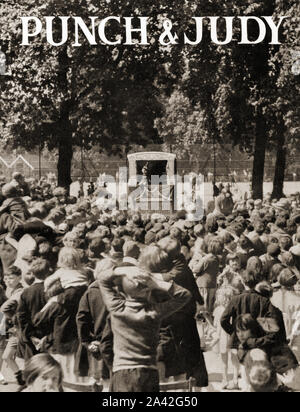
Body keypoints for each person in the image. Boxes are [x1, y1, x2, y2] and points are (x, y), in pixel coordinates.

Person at [98, 246, 192, 392]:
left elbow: (102, 279)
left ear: (123, 290)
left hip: (122, 372)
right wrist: (156, 283)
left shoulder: (117, 309)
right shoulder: (154, 312)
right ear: (148, 292)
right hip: (149, 371)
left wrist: (121, 270)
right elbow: (184, 295)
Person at [209, 285, 241, 390]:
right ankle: (235, 380)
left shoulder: (218, 310)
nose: (217, 297)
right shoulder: (236, 308)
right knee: (235, 359)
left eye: (219, 295)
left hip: (223, 336)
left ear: (225, 297)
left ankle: (225, 380)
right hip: (233, 335)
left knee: (224, 361)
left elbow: (215, 326)